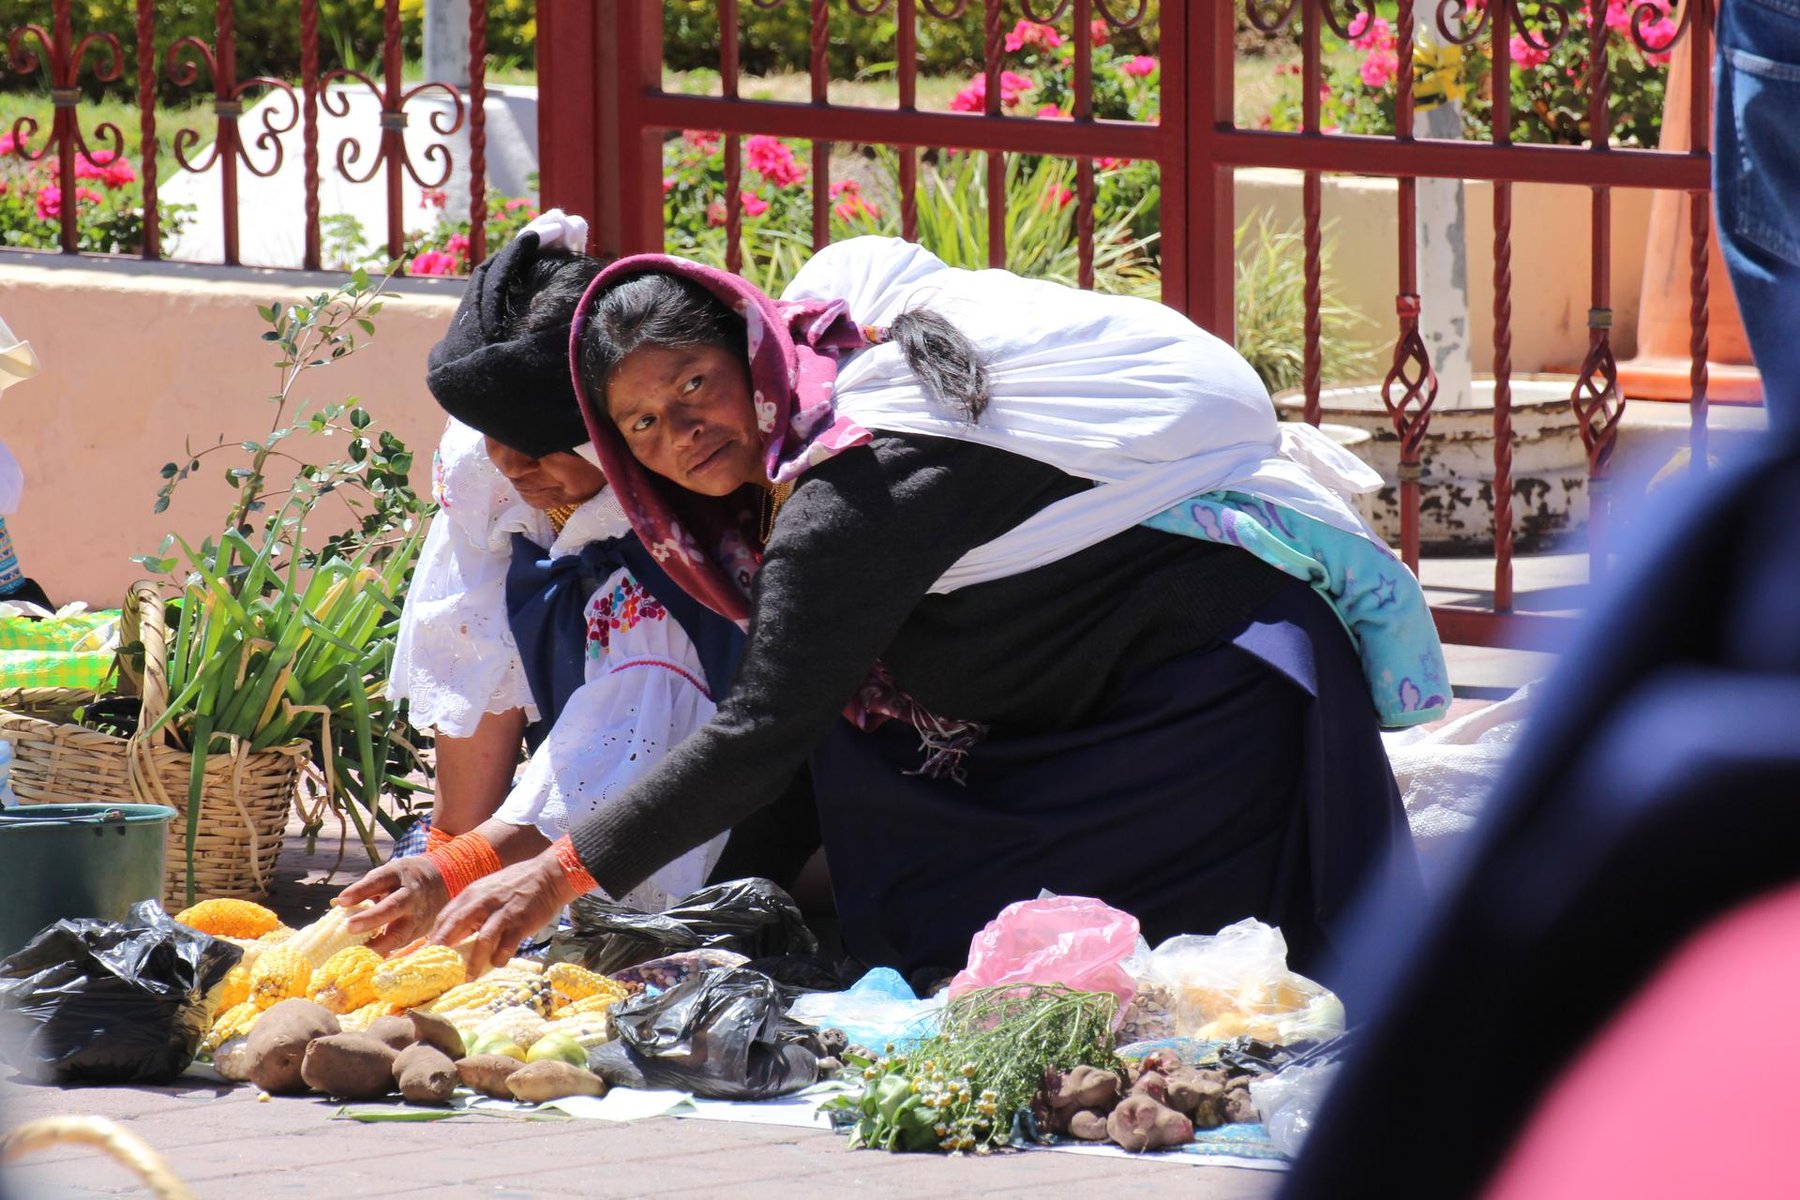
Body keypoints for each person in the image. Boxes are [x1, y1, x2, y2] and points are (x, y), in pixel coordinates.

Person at [427, 236, 1438, 981]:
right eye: (643, 424)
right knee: (860, 757)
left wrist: (553, 878)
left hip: (1191, 704)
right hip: (1057, 685)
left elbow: (764, 732)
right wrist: (674, 912)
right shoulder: (786, 474)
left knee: (1165, 983)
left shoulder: (845, 496)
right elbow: (792, 723)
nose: (680, 433)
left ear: (753, 355)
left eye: (695, 385)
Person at [338, 215, 770, 950]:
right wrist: (445, 851)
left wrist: (465, 872)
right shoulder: (495, 474)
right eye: (495, 447)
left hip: (717, 812)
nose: (510, 468)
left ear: (613, 436)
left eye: (535, 452)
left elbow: (626, 737)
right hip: (562, 815)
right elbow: (477, 655)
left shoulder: (679, 535)